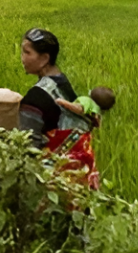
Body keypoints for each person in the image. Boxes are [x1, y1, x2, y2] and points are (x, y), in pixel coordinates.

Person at [17, 27, 102, 188]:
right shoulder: (62, 81)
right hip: (80, 174)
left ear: (44, 59)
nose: (22, 57)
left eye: (27, 52)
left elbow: (28, 147)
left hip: (55, 183)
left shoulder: (35, 98)